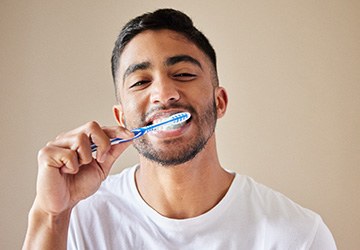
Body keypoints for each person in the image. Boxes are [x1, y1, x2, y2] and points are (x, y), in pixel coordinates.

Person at [23, 8, 337, 250]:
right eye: (141, 82)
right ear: (121, 117)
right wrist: (51, 215)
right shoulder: (79, 221)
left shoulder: (298, 235)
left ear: (220, 101)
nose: (163, 93)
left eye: (184, 74)